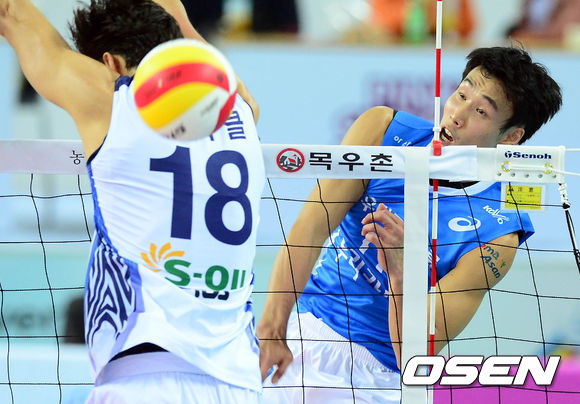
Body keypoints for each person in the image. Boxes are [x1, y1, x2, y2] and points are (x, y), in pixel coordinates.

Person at [257, 46, 562, 403]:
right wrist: (272, 328)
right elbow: (309, 230)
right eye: (461, 95)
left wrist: (402, 270)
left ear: (510, 137)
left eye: (480, 111)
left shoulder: (499, 232)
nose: (457, 115)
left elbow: (413, 358)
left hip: (379, 377)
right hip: (303, 334)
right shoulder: (383, 131)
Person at [0, 0, 264, 402]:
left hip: (144, 376)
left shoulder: (113, 100)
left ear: (110, 63)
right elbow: (191, 42)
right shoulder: (240, 108)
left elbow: (11, 12)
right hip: (239, 383)